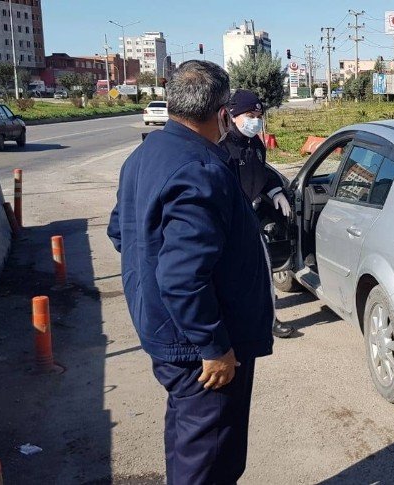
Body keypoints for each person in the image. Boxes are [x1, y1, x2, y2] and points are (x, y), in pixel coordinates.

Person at [107, 60, 274, 485]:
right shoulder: (201, 169)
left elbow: (120, 231)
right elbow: (183, 276)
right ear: (221, 113)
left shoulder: (145, 155)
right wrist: (213, 345)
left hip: (168, 331)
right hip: (200, 348)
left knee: (189, 442)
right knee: (211, 459)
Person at [217, 89, 294, 339]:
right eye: (250, 115)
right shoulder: (223, 146)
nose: (255, 121)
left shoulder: (256, 144)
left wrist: (275, 192)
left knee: (263, 269)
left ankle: (269, 320)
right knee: (227, 276)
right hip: (226, 223)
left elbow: (263, 173)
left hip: (251, 219)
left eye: (259, 116)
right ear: (233, 115)